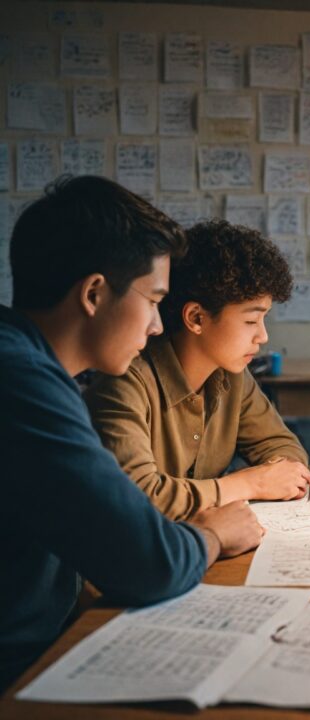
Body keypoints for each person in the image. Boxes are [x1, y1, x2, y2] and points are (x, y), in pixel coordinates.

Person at [0, 176, 264, 691]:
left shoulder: (28, 364)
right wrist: (212, 534)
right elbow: (150, 562)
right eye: (153, 300)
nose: (157, 326)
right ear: (95, 293)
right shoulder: (23, 384)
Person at [85, 219, 310, 522]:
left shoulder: (232, 376)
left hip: (205, 548)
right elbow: (141, 496)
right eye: (250, 321)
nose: (263, 336)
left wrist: (277, 473)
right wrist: (250, 483)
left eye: (264, 319)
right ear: (196, 318)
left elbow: (282, 445)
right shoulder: (126, 383)